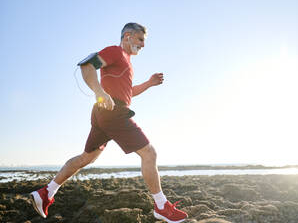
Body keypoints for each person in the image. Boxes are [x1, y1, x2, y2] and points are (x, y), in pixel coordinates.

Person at [30, 23, 188, 223]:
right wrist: (99, 92)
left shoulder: (126, 61)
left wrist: (148, 83)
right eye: (140, 40)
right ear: (128, 36)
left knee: (87, 157)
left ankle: (46, 192)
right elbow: (87, 65)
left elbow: (128, 93)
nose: (143, 45)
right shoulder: (115, 52)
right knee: (149, 153)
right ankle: (161, 205)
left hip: (103, 113)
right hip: (113, 112)